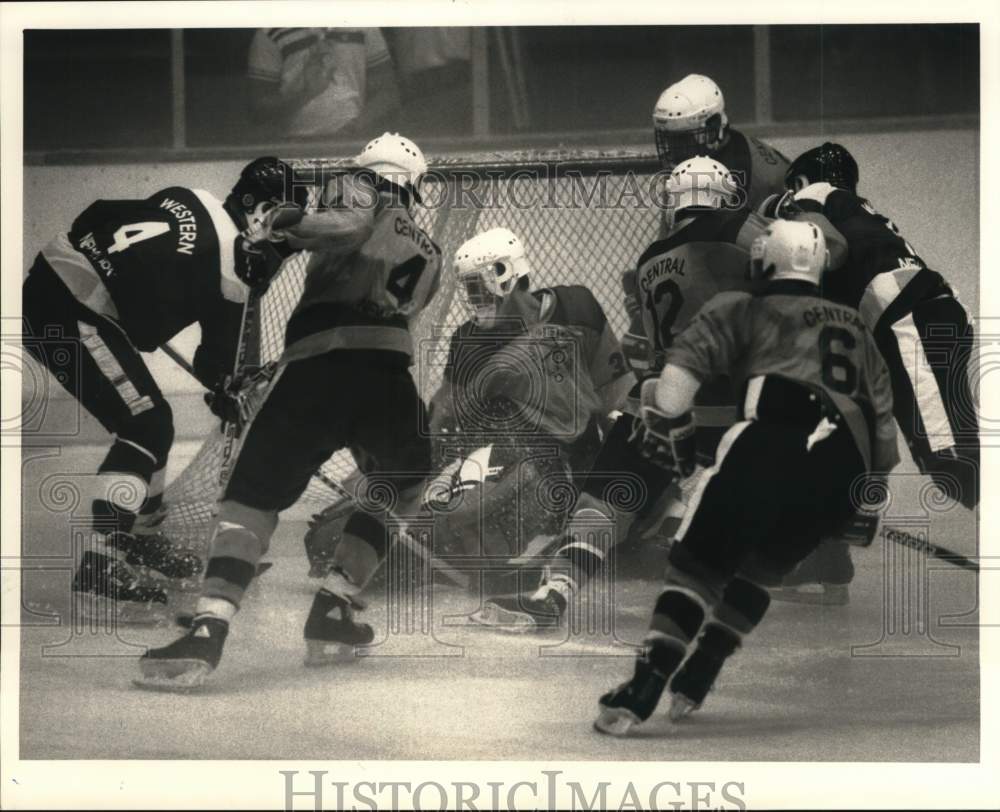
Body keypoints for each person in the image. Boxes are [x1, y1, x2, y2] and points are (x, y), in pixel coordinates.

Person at [136, 133, 443, 689]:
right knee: (406, 476)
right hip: (387, 377)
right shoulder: (429, 245)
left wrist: (284, 220)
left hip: (318, 369)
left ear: (373, 173)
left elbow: (345, 228)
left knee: (250, 497)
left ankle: (208, 628)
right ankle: (335, 606)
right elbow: (391, 318)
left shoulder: (354, 185)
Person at [594, 219, 899, 736]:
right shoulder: (852, 325)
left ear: (766, 259)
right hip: (845, 466)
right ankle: (701, 672)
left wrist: (667, 427)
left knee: (696, 570)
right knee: (761, 569)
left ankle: (644, 688)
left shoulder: (741, 306)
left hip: (772, 439)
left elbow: (670, 397)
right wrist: (862, 501)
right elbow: (885, 435)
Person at [470, 157, 777, 632]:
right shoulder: (736, 228)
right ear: (722, 196)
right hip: (726, 401)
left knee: (600, 506)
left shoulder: (653, 258)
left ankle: (553, 595)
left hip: (657, 404)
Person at [21, 158, 307, 618]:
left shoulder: (189, 197)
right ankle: (102, 566)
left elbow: (94, 215)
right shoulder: (236, 270)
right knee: (145, 422)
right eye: (285, 223)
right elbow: (217, 362)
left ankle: (142, 543)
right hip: (70, 309)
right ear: (259, 208)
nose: (285, 242)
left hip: (53, 285)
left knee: (155, 421)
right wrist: (226, 388)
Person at [303, 226, 633, 578]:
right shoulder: (469, 340)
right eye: (467, 287)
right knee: (330, 540)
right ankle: (431, 541)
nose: (471, 296)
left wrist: (609, 489)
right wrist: (387, 474)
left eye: (477, 284)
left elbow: (615, 396)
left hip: (562, 466)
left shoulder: (577, 308)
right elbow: (440, 421)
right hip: (500, 457)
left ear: (507, 274)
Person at [772, 142, 979, 603]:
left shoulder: (813, 197)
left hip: (909, 320)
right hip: (909, 321)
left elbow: (827, 247)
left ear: (803, 181)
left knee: (953, 460)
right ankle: (827, 560)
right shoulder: (856, 209)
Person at [622, 73, 790, 374]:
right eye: (669, 140)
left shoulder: (742, 174)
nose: (673, 151)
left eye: (684, 140)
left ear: (714, 127)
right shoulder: (702, 167)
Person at [247, 28, 400, 140]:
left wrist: (356, 127)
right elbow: (258, 111)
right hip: (292, 151)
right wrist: (306, 92)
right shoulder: (270, 30)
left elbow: (388, 92)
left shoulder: (363, 23)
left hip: (353, 147)